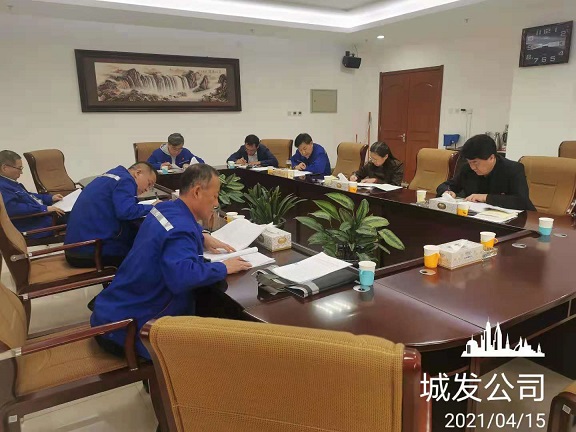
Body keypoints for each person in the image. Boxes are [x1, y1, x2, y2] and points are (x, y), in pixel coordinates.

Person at [90, 164, 253, 359]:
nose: (216, 203)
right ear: (197, 192)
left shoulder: (166, 207)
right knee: (217, 347)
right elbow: (183, 278)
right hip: (128, 329)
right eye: (215, 196)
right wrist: (223, 267)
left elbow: (174, 229)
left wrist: (202, 236)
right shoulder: (181, 230)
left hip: (112, 311)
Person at [64, 162, 158, 268]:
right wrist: (153, 207)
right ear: (138, 173)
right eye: (149, 183)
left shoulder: (112, 175)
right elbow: (126, 211)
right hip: (90, 251)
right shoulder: (126, 180)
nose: (147, 189)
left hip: (75, 247)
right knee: (144, 255)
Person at [436, 134, 535, 211]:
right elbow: (445, 186)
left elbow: (521, 201)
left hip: (518, 222)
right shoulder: (467, 169)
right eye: (469, 162)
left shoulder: (513, 169)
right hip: (480, 218)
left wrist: (485, 197)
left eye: (475, 162)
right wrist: (447, 192)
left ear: (491, 158)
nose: (472, 167)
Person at [0, 150, 66, 238]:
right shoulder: (2, 187)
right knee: (76, 216)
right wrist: (44, 209)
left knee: (75, 213)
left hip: (41, 217)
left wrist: (50, 198)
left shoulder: (10, 183)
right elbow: (13, 209)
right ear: (4, 168)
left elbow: (29, 196)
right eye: (19, 168)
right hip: (34, 224)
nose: (21, 172)